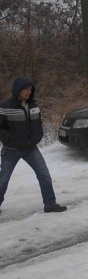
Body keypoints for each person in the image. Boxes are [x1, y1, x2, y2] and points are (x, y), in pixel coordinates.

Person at [0, 78, 66, 213]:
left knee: (44, 175)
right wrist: (10, 139)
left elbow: (38, 125)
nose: (29, 92)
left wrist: (37, 137)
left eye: (30, 89)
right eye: (26, 89)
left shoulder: (33, 106)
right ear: (18, 90)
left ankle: (50, 204)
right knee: (3, 180)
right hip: (11, 150)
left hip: (31, 149)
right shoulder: (5, 107)